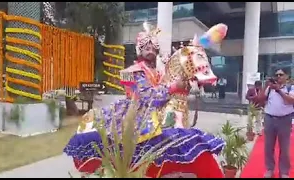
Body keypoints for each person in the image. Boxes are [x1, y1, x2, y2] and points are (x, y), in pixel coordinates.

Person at [63, 23, 225, 178]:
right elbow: (146, 97)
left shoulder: (159, 72)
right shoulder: (131, 72)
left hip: (159, 109)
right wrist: (172, 87)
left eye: (152, 48)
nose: (150, 51)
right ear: (139, 50)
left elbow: (169, 90)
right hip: (137, 111)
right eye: (145, 48)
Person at [258, 68, 294, 178]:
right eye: (276, 75)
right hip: (269, 118)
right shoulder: (270, 88)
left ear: (287, 76)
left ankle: (284, 172)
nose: (278, 77)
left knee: (284, 147)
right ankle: (269, 169)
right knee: (268, 146)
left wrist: (279, 90)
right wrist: (265, 86)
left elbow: (290, 100)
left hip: (285, 120)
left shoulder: (290, 87)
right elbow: (260, 100)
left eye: (281, 75)